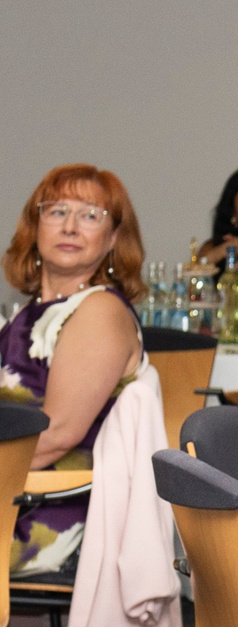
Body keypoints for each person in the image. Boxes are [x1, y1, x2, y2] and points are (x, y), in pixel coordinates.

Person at [3, 167, 146, 574]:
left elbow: (58, 433)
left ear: (113, 238)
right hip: (15, 492)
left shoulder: (99, 311)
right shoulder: (27, 315)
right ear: (35, 226)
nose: (70, 226)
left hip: (49, 510)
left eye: (90, 215)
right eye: (57, 211)